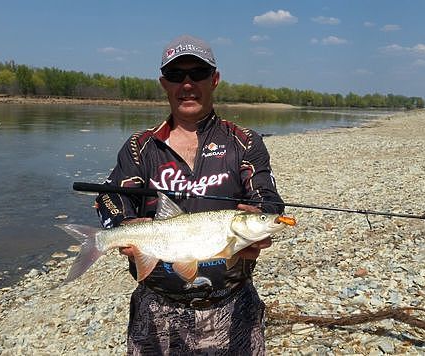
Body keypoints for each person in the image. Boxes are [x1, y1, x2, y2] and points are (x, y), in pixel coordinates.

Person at [96, 34, 284, 355]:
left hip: (232, 306)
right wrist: (122, 223)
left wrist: (260, 217)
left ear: (214, 80)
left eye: (196, 74)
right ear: (163, 84)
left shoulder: (243, 141)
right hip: (156, 309)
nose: (186, 84)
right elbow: (108, 198)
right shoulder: (139, 148)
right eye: (175, 75)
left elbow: (266, 196)